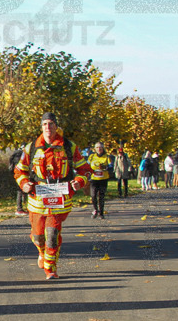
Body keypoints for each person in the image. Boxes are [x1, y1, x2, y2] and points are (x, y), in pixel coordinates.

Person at [14, 112, 91, 280]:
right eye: (44, 124)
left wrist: (79, 181)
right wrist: (24, 184)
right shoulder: (31, 148)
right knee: (38, 236)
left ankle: (50, 268)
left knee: (52, 234)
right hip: (37, 200)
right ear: (41, 127)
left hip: (59, 198)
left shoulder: (69, 147)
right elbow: (20, 171)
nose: (48, 127)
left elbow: (85, 169)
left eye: (51, 124)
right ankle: (42, 253)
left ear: (56, 126)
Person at [87, 141, 110, 219]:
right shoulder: (91, 157)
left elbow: (111, 166)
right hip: (94, 179)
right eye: (97, 147)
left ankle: (101, 212)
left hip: (103, 179)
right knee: (93, 195)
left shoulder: (107, 157)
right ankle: (95, 210)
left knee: (101, 196)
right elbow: (86, 165)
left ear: (103, 148)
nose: (99, 149)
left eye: (100, 147)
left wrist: (104, 167)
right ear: (95, 149)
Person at [9, 147, 28, 215]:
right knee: (21, 191)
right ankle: (20, 209)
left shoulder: (15, 154)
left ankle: (20, 208)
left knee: (19, 191)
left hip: (16, 175)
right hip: (21, 175)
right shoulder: (21, 154)